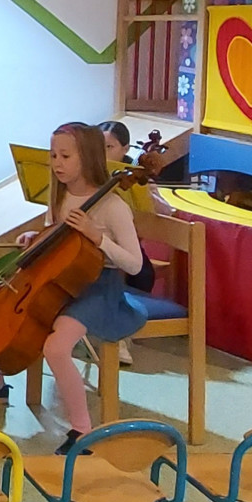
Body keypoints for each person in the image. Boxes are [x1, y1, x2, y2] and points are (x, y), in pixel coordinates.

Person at [0, 122, 147, 455]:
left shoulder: (113, 207)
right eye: (54, 155)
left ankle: (82, 431)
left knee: (56, 347)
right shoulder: (62, 195)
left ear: (88, 156)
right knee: (0, 316)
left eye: (65, 156)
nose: (57, 163)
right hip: (58, 279)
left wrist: (97, 237)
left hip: (100, 290)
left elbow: (135, 264)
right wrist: (37, 238)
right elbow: (57, 235)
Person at [98, 119, 155, 366]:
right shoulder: (86, 174)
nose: (102, 154)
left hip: (123, 244)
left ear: (125, 149)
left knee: (140, 272)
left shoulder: (134, 176)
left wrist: (148, 192)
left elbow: (160, 212)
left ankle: (121, 330)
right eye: (97, 147)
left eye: (109, 147)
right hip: (93, 243)